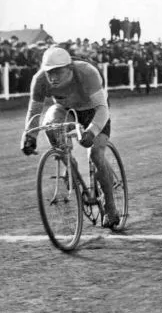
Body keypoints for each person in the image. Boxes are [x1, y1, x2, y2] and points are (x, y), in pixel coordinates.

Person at [19, 46, 121, 228]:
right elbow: (34, 112)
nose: (53, 77)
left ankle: (111, 208)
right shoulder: (40, 80)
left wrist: (92, 131)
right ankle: (70, 163)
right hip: (66, 110)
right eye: (49, 72)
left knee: (96, 154)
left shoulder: (87, 73)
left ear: (70, 68)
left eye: (58, 71)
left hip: (94, 111)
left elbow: (102, 109)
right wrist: (29, 137)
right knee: (51, 121)